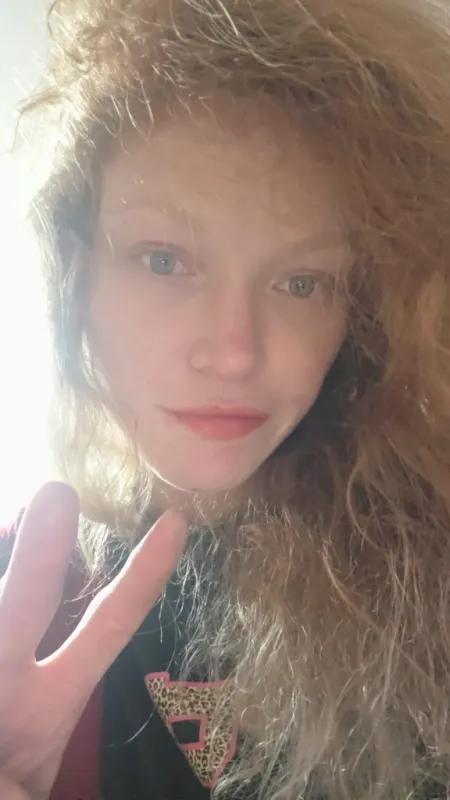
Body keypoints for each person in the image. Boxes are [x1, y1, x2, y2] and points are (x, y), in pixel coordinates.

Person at [2, 0, 450, 797]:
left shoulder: (428, 578)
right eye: (164, 261)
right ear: (75, 276)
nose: (235, 352)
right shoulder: (21, 597)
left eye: (301, 282)